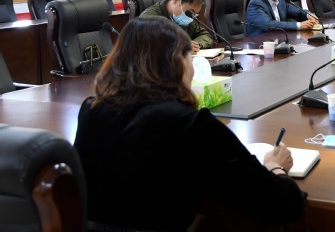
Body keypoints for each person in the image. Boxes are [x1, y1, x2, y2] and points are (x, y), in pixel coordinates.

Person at [74, 16, 307, 232]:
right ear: (178, 62)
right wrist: (275, 166)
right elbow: (283, 206)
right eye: (191, 58)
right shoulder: (190, 124)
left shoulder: (91, 110)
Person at [139, 0, 212, 54]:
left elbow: (204, 34)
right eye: (191, 12)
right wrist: (179, 48)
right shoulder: (149, 19)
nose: (191, 18)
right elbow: (147, 47)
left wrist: (196, 45)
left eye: (195, 14)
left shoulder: (184, 17)